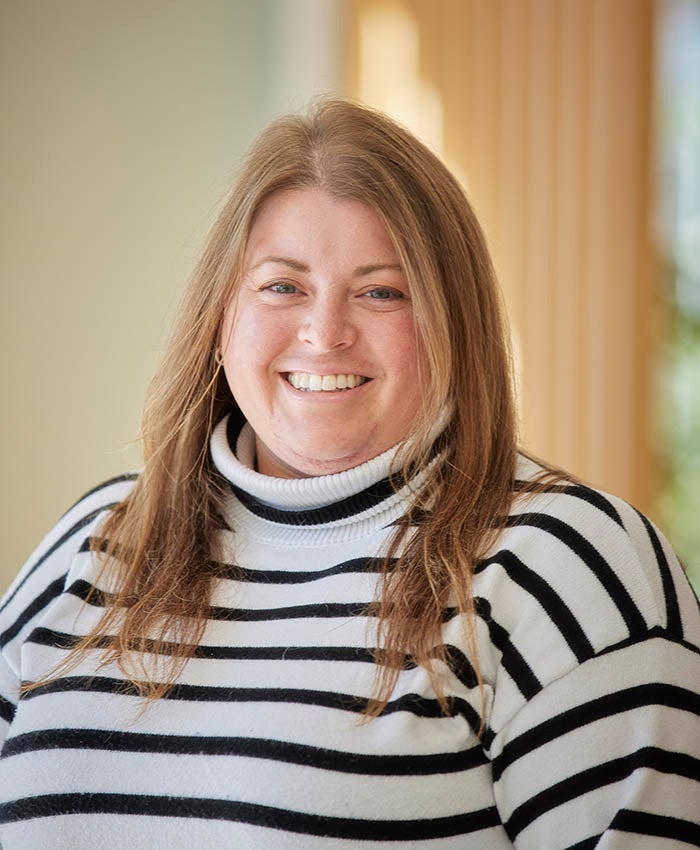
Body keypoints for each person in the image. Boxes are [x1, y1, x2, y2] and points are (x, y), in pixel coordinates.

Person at [0, 98, 698, 850]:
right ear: (217, 322)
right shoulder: (98, 540)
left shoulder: (567, 565)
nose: (325, 333)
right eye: (282, 285)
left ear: (454, 330)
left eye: (381, 292)